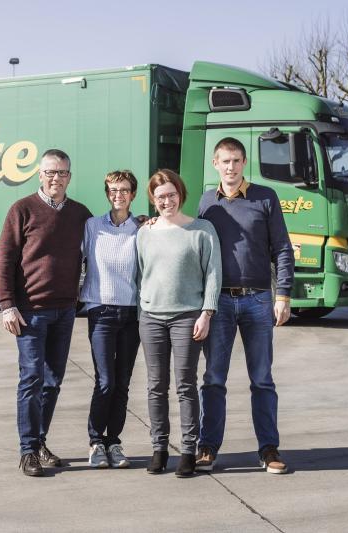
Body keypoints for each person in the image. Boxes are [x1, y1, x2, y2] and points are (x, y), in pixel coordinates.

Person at [196, 137, 294, 475]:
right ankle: (208, 447)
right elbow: (192, 242)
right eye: (225, 161)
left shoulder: (265, 197)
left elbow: (282, 248)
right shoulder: (207, 202)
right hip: (219, 301)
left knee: (262, 379)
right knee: (213, 379)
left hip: (258, 300)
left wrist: (282, 295)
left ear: (244, 162)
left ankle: (268, 449)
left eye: (236, 160)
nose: (231, 167)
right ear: (215, 164)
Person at [0, 148, 92, 477]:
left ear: (69, 176)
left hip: (64, 311)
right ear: (40, 175)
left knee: (52, 382)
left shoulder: (79, 214)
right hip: (30, 312)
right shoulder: (22, 210)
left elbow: (104, 242)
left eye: (62, 173)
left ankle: (39, 443)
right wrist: (7, 305)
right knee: (31, 379)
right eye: (50, 172)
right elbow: (3, 261)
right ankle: (27, 452)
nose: (56, 178)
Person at [137, 169, 221, 477]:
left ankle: (188, 450)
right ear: (153, 199)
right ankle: (159, 448)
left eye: (171, 195)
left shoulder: (201, 229)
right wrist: (140, 312)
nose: (166, 201)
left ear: (180, 194)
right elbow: (141, 274)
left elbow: (213, 272)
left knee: (185, 385)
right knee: (155, 386)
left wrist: (206, 312)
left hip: (188, 317)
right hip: (151, 318)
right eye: (160, 197)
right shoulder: (144, 232)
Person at [80, 170, 141, 469]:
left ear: (133, 194)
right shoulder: (92, 227)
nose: (119, 195)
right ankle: (95, 441)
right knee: (105, 381)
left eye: (125, 190)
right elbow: (72, 260)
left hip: (131, 313)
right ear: (107, 193)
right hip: (101, 312)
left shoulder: (141, 228)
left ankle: (113, 441)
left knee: (123, 383)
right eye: (114, 190)